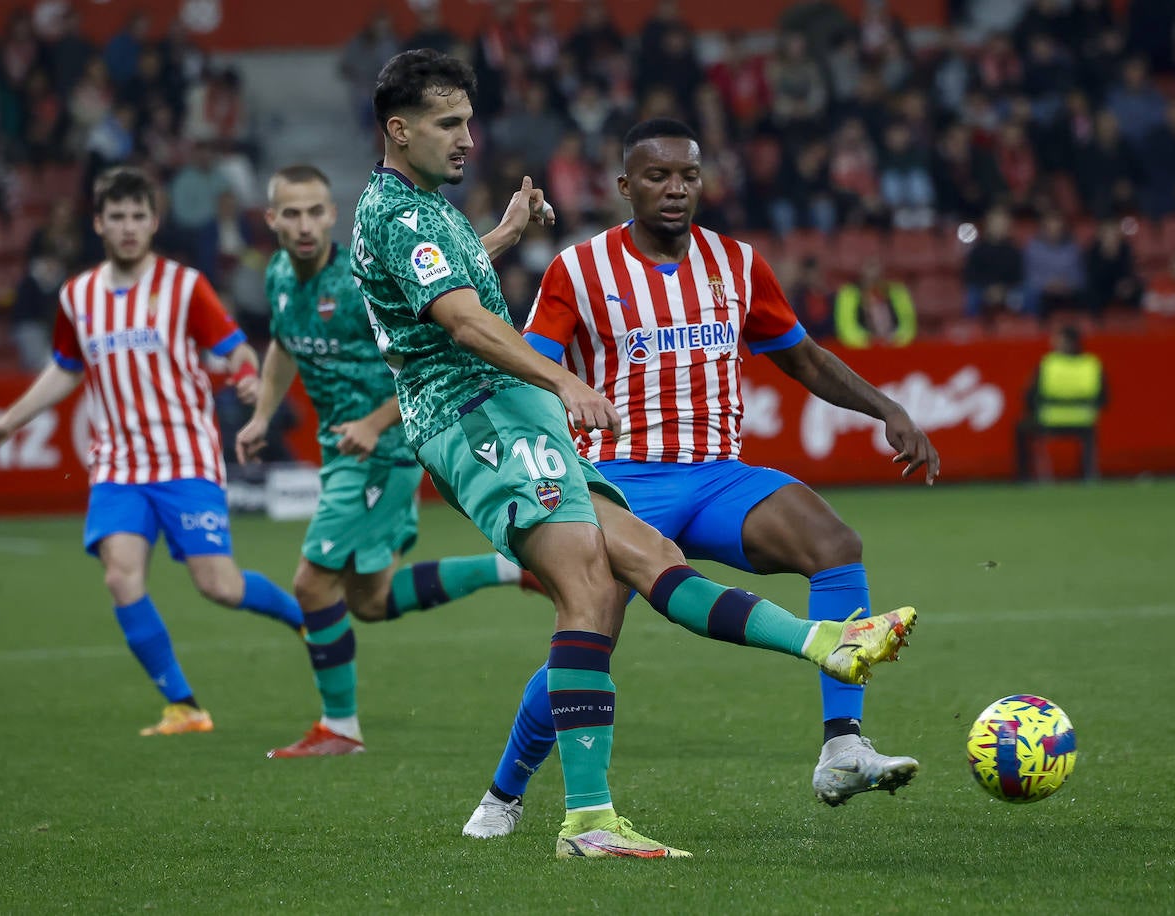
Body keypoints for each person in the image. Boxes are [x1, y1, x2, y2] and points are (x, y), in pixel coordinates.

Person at [353, 51, 917, 860]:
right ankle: (538, 802)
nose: (469, 139)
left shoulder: (429, 210)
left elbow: (442, 284)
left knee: (671, 563)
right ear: (399, 129)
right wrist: (567, 386)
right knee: (592, 604)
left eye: (470, 121)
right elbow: (468, 325)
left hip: (677, 459)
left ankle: (827, 684)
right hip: (497, 424)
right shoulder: (548, 259)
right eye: (450, 124)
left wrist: (504, 233)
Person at [462, 117, 939, 841]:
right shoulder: (579, 270)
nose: (676, 188)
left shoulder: (737, 264)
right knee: (588, 633)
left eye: (688, 174)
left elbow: (801, 357)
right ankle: (504, 794)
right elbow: (531, 368)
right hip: (621, 480)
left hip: (718, 476)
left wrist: (886, 408)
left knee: (834, 543)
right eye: (657, 176)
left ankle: (842, 746)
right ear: (625, 186)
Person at [0, 166, 304, 736]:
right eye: (115, 217)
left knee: (218, 585)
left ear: (153, 221)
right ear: (99, 223)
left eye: (137, 216)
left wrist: (246, 378)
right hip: (117, 466)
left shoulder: (184, 286)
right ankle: (185, 706)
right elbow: (66, 369)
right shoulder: (79, 295)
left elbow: (236, 348)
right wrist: (5, 424)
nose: (127, 227)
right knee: (121, 578)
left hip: (185, 459)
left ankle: (304, 617)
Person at [234, 163, 544, 758]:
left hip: (385, 448)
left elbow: (436, 301)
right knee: (369, 602)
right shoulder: (278, 276)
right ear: (271, 219)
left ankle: (339, 729)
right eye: (290, 214)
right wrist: (260, 416)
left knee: (311, 583)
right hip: (342, 450)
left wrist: (375, 423)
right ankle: (512, 570)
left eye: (314, 212)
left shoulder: (353, 280)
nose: (303, 226)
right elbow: (281, 343)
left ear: (332, 215)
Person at [1015, 325, 1106, 482]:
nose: (1053, 342)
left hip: (1049, 421)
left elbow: (1030, 397)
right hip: (1084, 422)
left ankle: (1025, 478)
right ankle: (1087, 474)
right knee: (1089, 435)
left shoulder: (1049, 363)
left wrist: (1039, 409)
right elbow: (1103, 399)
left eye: (1058, 339)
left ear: (1068, 342)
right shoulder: (1091, 364)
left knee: (1021, 428)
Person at [834, 255, 917, 348]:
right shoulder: (849, 293)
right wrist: (868, 341)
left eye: (876, 267)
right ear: (861, 271)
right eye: (869, 267)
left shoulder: (897, 292)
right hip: (862, 351)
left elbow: (908, 325)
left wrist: (895, 340)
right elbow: (847, 328)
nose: (873, 274)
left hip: (894, 348)